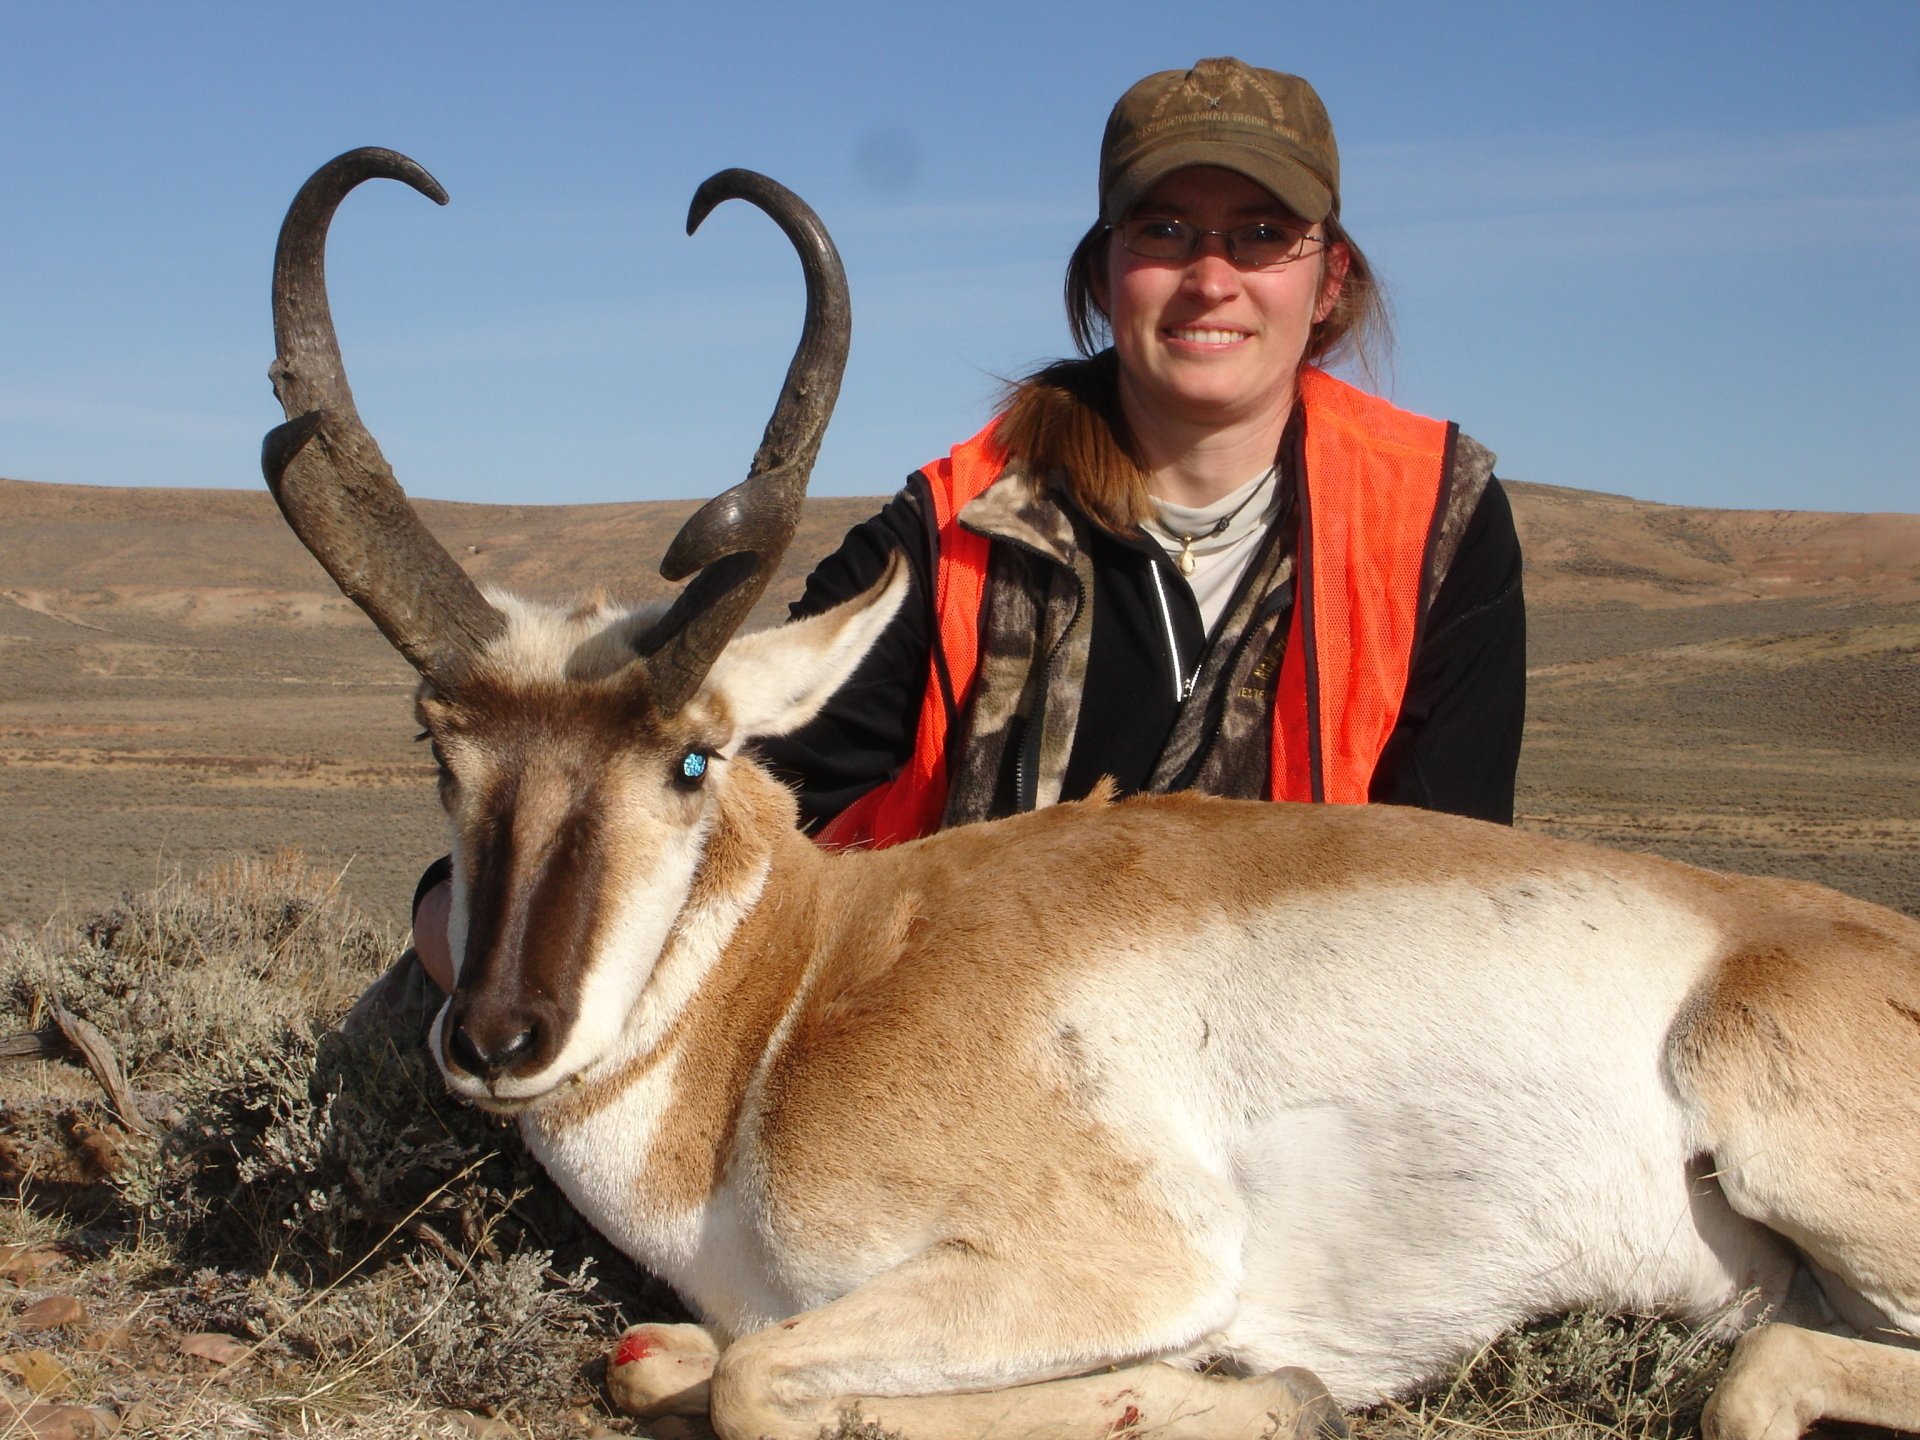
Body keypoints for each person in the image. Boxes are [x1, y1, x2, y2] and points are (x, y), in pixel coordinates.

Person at [394, 55, 1525, 999]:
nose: (1212, 277)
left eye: (1263, 233)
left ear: (1329, 278)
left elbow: (1453, 887)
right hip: (975, 1078)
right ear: (1106, 270)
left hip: (1308, 1064)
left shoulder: (1436, 520)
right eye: (1167, 229)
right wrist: (476, 918)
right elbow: (732, 787)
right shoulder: (952, 529)